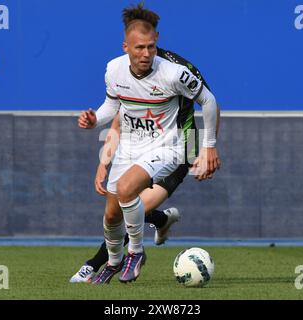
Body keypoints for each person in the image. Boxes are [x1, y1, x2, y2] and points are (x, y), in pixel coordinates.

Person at [78, 3, 220, 285]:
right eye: (139, 47)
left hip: (178, 144)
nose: (145, 53)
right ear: (126, 46)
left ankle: (108, 260)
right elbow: (118, 112)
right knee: (117, 207)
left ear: (157, 40)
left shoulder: (177, 71)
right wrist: (103, 159)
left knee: (131, 195)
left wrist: (207, 148)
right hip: (134, 145)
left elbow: (209, 101)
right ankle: (156, 225)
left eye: (151, 46)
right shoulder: (116, 71)